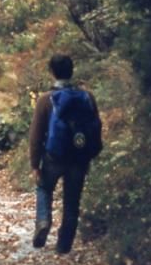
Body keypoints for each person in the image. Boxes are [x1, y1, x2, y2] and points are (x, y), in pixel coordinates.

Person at [29, 54, 102, 253]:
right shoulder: (87, 97)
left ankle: (43, 221)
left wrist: (35, 164)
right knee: (72, 200)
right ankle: (64, 245)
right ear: (72, 71)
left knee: (44, 188)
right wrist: (91, 153)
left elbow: (36, 134)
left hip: (54, 156)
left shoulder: (46, 99)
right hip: (79, 157)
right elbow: (96, 127)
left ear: (51, 72)